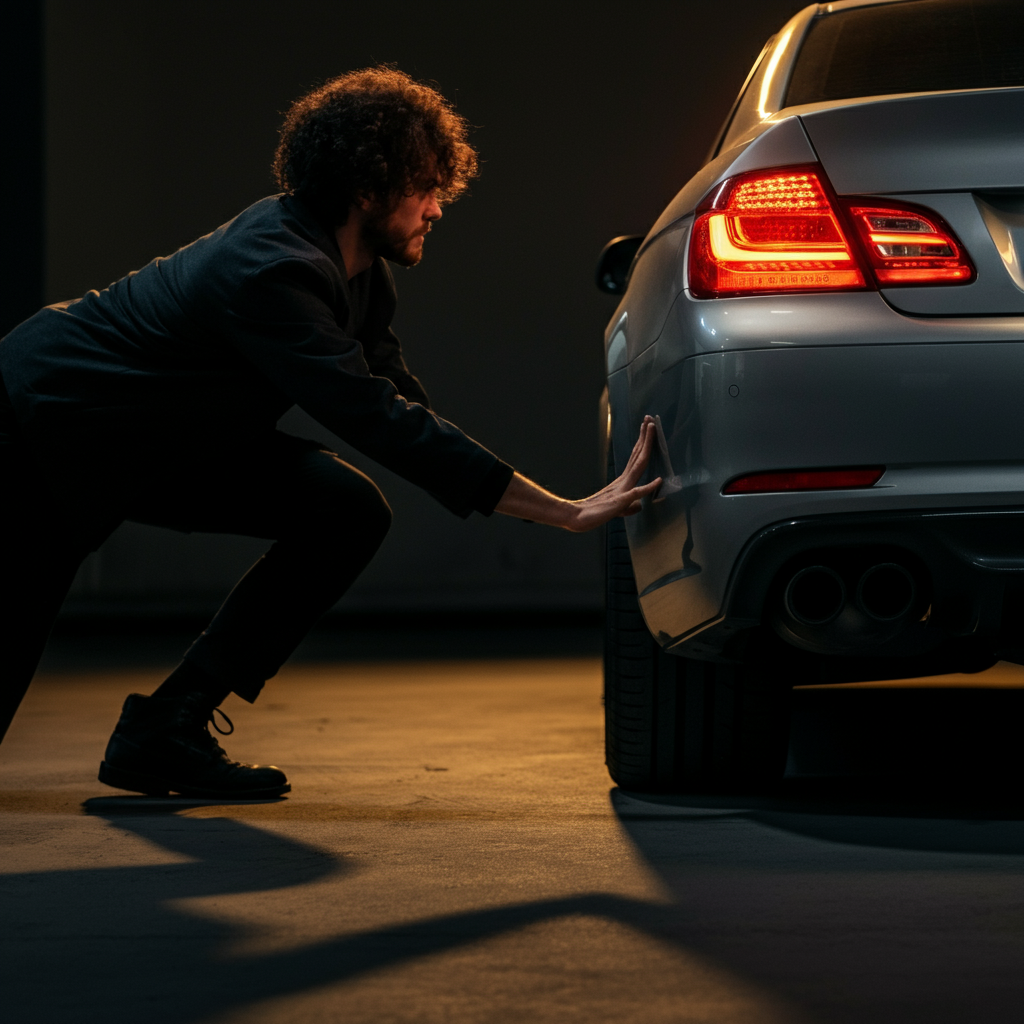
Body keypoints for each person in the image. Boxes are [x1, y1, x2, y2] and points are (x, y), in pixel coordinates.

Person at [0, 66, 659, 799]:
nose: (437, 209)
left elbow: (401, 402)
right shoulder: (271, 270)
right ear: (370, 184)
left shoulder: (359, 271)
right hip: (47, 420)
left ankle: (167, 726)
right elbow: (373, 418)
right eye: (427, 187)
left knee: (341, 508)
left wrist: (536, 496)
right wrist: (566, 512)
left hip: (160, 437)